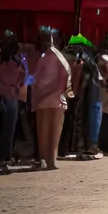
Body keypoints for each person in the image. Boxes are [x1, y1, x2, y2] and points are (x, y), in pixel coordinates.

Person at [32, 28, 72, 170]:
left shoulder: (42, 58)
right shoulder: (61, 58)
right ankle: (52, 160)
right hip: (59, 99)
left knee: (43, 130)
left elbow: (36, 79)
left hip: (43, 99)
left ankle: (43, 159)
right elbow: (67, 78)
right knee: (55, 130)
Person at [0, 35, 27, 172]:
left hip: (0, 96)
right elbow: (23, 78)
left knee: (0, 128)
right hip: (11, 97)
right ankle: (4, 157)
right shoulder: (16, 63)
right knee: (8, 129)